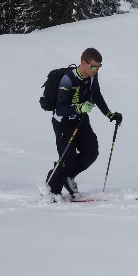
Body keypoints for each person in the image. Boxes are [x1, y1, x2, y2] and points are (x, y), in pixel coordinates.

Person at [45, 48, 123, 201]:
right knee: (68, 160)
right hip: (63, 123)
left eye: (99, 67)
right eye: (94, 67)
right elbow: (60, 109)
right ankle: (51, 190)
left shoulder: (93, 76)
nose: (96, 70)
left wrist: (109, 114)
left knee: (91, 152)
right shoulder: (68, 79)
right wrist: (79, 107)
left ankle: (68, 178)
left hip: (80, 120)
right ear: (83, 63)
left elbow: (96, 95)